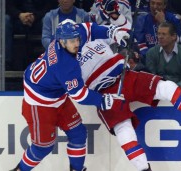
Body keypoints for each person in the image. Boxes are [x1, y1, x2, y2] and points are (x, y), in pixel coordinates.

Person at [78, 30, 181, 171]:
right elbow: (75, 91)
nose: (74, 40)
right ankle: (144, 169)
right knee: (124, 129)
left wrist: (122, 37)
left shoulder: (94, 38)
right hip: (103, 93)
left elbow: (119, 29)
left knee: (166, 88)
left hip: (126, 76)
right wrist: (100, 100)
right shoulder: (67, 62)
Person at [10, 19, 130, 171]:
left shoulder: (67, 36)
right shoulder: (65, 65)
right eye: (72, 41)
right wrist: (105, 101)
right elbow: (80, 95)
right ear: (61, 41)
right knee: (43, 147)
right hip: (39, 104)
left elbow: (89, 29)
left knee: (78, 133)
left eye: (77, 39)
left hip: (55, 94)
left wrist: (112, 33)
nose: (77, 43)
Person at [5, 0, 56, 70]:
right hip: (17, 19)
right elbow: (7, 5)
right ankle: (6, 62)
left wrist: (34, 16)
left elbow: (50, 6)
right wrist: (19, 15)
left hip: (39, 18)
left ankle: (51, 61)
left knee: (47, 20)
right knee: (5, 20)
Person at [145, 22, 181, 90]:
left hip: (178, 92)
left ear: (173, 36)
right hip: (158, 91)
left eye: (164, 34)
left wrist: (171, 89)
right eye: (159, 34)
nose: (160, 37)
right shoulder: (151, 53)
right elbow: (151, 78)